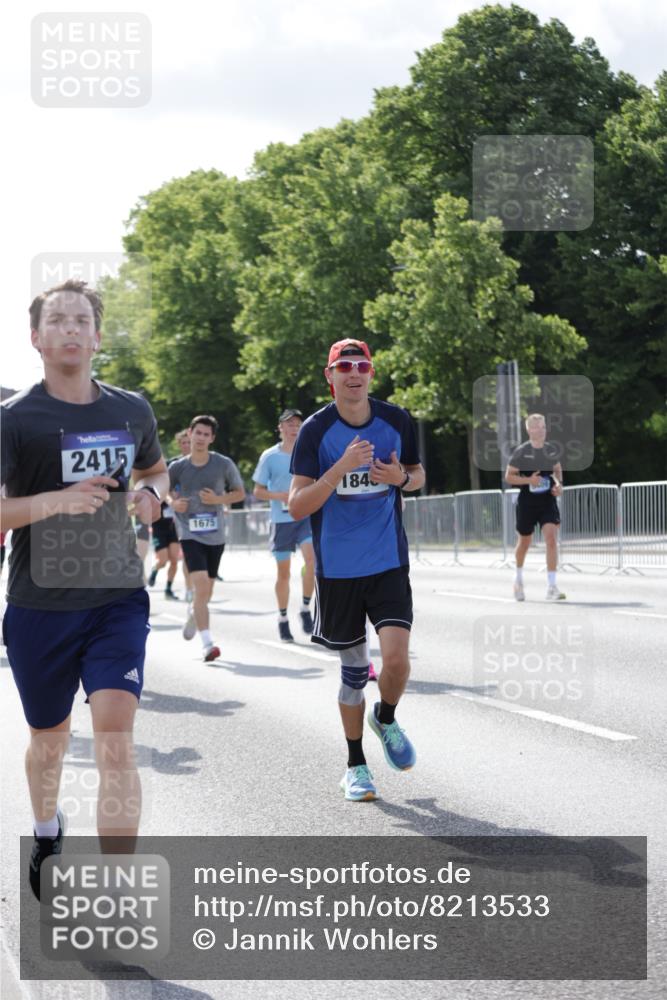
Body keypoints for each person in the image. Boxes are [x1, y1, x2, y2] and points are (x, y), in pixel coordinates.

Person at [0, 279, 168, 899]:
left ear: (97, 336)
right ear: (36, 338)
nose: (70, 328)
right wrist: (54, 502)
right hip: (39, 604)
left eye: (81, 320)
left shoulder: (130, 410)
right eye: (57, 320)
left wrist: (153, 495)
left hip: (116, 597)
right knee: (49, 740)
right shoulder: (14, 420)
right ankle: (47, 831)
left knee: (116, 741)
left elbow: (154, 469)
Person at [289, 339, 425, 802]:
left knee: (398, 661)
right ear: (330, 376)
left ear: (371, 373)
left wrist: (400, 480)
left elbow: (418, 474)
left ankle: (384, 717)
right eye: (343, 366)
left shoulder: (396, 420)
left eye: (361, 365)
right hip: (338, 571)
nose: (353, 372)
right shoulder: (315, 431)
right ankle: (356, 765)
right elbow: (296, 506)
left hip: (388, 560)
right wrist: (340, 469)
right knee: (352, 673)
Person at [167, 415, 245, 661]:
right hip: (189, 532)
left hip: (216, 534)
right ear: (189, 434)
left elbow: (239, 493)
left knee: (206, 592)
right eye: (197, 432)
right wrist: (173, 502)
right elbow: (164, 489)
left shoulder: (223, 464)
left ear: (211, 438)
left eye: (205, 434)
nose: (200, 438)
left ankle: (194, 611)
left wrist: (218, 500)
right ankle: (207, 643)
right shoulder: (177, 467)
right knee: (200, 585)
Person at [252, 408, 315, 642]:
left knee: (312, 562)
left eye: (298, 424)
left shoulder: (309, 452)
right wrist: (280, 496)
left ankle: (306, 609)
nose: (294, 428)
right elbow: (257, 491)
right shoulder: (270, 456)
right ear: (280, 428)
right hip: (282, 522)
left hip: (305, 518)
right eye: (289, 424)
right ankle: (282, 619)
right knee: (284, 574)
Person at [505, 413, 565, 601]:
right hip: (527, 503)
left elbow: (557, 469)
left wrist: (558, 485)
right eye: (538, 427)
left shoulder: (550, 450)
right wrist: (529, 480)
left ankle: (552, 586)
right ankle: (518, 579)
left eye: (544, 427)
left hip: (547, 501)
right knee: (524, 542)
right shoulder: (521, 452)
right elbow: (509, 476)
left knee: (551, 539)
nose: (542, 431)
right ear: (529, 430)